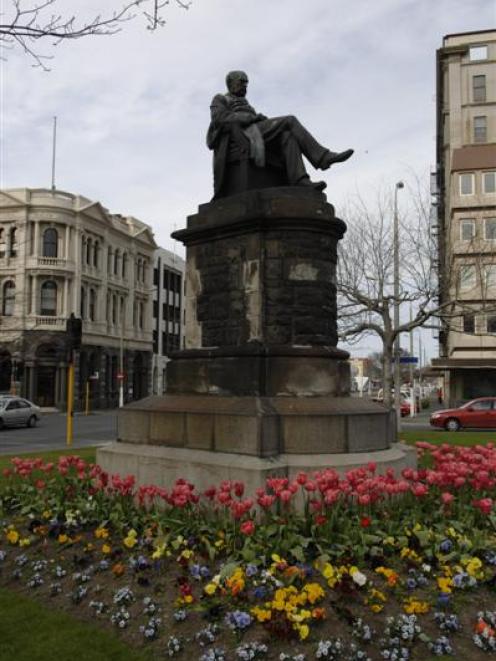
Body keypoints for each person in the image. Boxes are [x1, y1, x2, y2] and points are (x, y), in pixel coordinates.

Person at [207, 70, 354, 197]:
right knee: (289, 121)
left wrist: (258, 118)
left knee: (288, 136)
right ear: (230, 83)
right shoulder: (220, 98)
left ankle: (300, 180)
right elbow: (220, 119)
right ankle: (323, 157)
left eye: (246, 83)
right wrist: (252, 117)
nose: (245, 86)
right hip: (242, 135)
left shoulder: (245, 102)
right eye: (242, 82)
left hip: (256, 133)